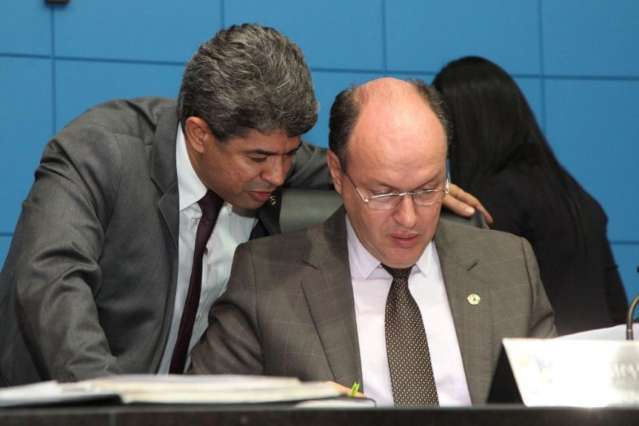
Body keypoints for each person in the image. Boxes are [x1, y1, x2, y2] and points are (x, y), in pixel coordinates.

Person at [0, 24, 485, 387]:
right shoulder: (99, 154)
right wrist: (110, 407)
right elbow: (49, 283)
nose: (277, 175)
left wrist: (414, 187)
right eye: (258, 158)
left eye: (288, 154)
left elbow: (343, 166)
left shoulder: (278, 162)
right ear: (199, 134)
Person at [190, 77, 556, 406]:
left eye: (427, 189)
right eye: (383, 193)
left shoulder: (510, 267)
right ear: (337, 173)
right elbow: (204, 414)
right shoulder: (266, 280)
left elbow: (557, 408)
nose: (408, 218)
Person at [432, 56, 628, 335]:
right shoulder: (573, 194)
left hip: (539, 357)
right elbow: (618, 311)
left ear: (462, 126)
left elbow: (484, 318)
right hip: (599, 354)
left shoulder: (490, 201)